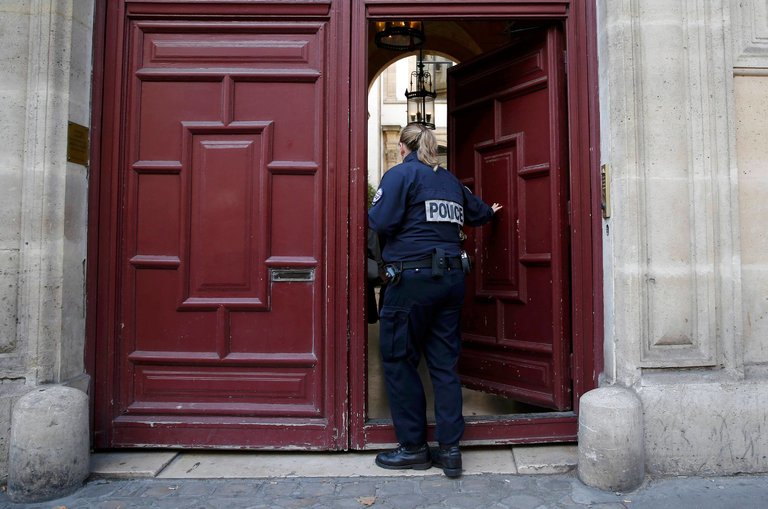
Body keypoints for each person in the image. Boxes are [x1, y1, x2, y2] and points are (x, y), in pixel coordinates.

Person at [368, 123, 502, 478]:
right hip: (451, 280)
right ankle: (450, 450)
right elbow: (478, 213)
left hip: (411, 281)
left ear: (403, 147)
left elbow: (380, 222)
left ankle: (413, 448)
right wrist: (492, 211)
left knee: (399, 360)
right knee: (444, 366)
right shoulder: (451, 182)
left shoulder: (400, 175)